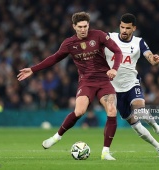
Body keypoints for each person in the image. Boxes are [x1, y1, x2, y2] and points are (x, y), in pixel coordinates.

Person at [17, 11, 123, 160]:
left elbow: (117, 51)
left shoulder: (99, 35)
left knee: (112, 111)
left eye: (85, 26)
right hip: (86, 82)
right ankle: (56, 137)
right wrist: (33, 69)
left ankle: (105, 152)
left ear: (88, 25)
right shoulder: (69, 43)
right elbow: (54, 58)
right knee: (79, 111)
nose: (83, 29)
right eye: (80, 26)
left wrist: (114, 69)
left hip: (104, 80)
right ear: (74, 26)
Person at [105, 13, 159, 159]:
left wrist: (154, 59)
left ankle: (157, 127)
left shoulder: (139, 42)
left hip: (131, 84)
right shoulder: (110, 38)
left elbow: (149, 57)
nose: (124, 31)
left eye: (127, 28)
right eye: (122, 27)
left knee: (140, 110)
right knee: (135, 125)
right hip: (114, 90)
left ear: (133, 28)